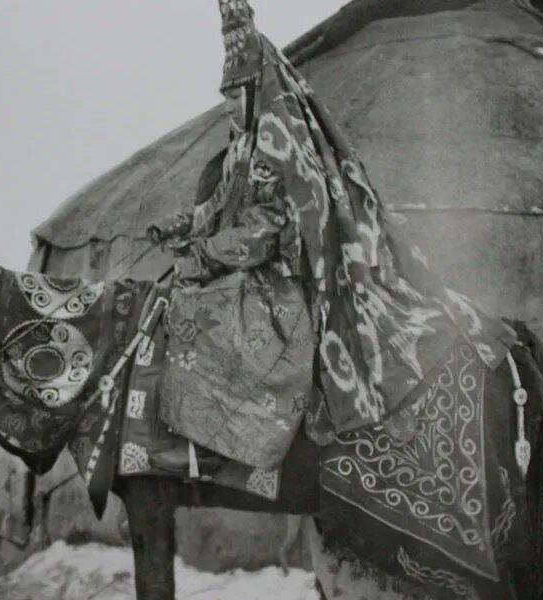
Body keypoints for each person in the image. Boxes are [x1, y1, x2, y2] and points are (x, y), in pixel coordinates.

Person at [149, 0, 517, 468]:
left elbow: (263, 230)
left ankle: (231, 451)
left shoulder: (276, 147)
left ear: (254, 90)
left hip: (283, 278)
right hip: (247, 267)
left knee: (214, 319)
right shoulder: (240, 148)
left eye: (233, 95)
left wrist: (203, 255)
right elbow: (218, 207)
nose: (227, 106)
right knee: (185, 298)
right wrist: (180, 226)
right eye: (223, 96)